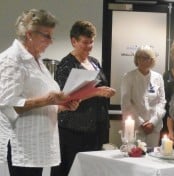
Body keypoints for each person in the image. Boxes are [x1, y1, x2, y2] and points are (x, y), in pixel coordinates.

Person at [0, 9, 79, 176]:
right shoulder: (12, 59)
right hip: (22, 142)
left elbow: (43, 102)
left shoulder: (37, 61)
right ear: (29, 34)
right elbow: (6, 107)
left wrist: (62, 106)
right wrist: (48, 100)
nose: (50, 42)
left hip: (40, 143)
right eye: (46, 36)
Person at [50, 20, 116, 176]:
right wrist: (96, 92)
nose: (89, 46)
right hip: (74, 129)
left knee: (92, 170)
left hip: (97, 127)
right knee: (71, 169)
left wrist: (105, 91)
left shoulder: (94, 62)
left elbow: (98, 87)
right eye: (85, 42)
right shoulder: (66, 65)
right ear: (74, 41)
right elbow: (63, 98)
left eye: (91, 42)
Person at [121, 45, 166, 147]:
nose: (142, 60)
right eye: (139, 57)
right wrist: (141, 122)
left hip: (154, 128)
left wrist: (153, 122)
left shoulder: (158, 77)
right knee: (134, 156)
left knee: (152, 159)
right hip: (135, 127)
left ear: (152, 60)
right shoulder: (128, 77)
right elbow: (126, 103)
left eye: (146, 58)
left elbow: (162, 102)